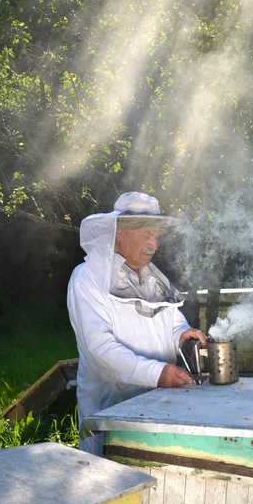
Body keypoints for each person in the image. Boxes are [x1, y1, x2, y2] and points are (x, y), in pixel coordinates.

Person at [67, 191, 206, 455]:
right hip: (109, 407)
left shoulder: (153, 277)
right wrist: (157, 374)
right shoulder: (87, 277)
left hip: (158, 402)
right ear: (120, 232)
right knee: (112, 482)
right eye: (146, 234)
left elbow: (170, 318)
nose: (154, 244)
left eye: (156, 236)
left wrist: (182, 334)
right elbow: (99, 348)